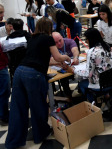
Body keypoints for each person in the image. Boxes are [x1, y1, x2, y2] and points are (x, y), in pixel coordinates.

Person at [5, 18, 70, 149]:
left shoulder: (32, 38)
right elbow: (57, 57)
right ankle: (40, 134)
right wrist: (67, 58)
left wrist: (57, 62)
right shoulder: (48, 38)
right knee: (38, 106)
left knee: (18, 108)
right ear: (49, 28)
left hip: (19, 72)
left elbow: (45, 59)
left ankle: (13, 142)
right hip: (34, 75)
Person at [74, 28, 112, 102]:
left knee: (81, 83)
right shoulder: (105, 45)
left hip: (101, 83)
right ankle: (106, 95)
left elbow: (88, 74)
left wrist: (73, 70)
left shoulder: (92, 52)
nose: (86, 42)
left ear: (91, 39)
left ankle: (93, 103)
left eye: (86, 39)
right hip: (111, 79)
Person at [51, 32, 79, 99]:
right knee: (63, 79)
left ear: (62, 37)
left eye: (60, 40)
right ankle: (69, 97)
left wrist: (75, 58)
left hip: (72, 65)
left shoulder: (69, 41)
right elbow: (51, 60)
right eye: (56, 42)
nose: (59, 44)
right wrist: (58, 62)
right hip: (60, 68)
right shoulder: (51, 47)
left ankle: (81, 90)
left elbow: (75, 50)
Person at [0, 44, 9, 126]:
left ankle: (3, 114)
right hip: (1, 68)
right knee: (4, 92)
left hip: (2, 66)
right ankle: (4, 116)